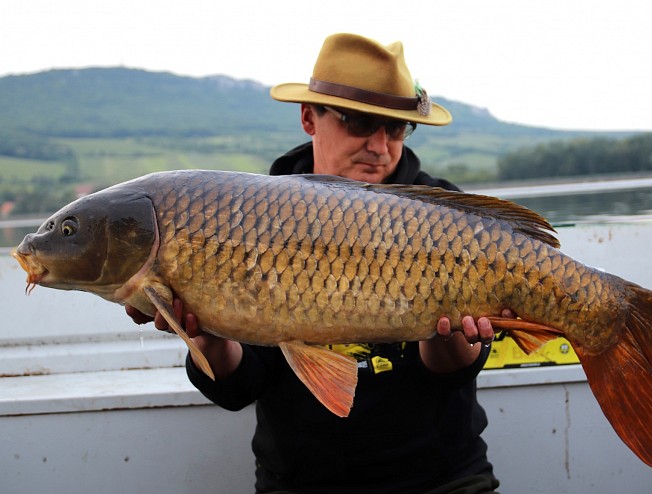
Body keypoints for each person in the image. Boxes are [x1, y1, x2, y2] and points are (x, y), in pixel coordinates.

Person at [127, 33, 503, 494]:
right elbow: (240, 387)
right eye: (361, 122)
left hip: (440, 480)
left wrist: (452, 335)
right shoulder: (246, 216)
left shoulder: (444, 214)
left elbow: (450, 374)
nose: (381, 146)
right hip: (300, 483)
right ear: (309, 117)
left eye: (397, 128)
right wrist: (206, 332)